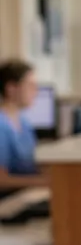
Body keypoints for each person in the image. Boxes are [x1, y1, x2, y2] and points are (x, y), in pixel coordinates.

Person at [0, 60, 48, 195]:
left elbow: (32, 163)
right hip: (9, 198)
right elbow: (1, 180)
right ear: (11, 88)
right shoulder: (1, 125)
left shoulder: (23, 121)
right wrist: (44, 182)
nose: (36, 91)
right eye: (30, 86)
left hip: (26, 192)